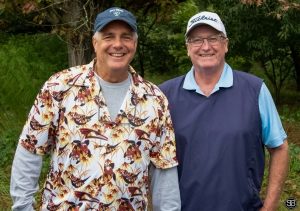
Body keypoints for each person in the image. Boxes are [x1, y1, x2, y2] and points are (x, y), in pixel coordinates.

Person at [10, 7, 181, 211]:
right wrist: (22, 207)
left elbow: (164, 172)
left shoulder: (155, 100)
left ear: (134, 44)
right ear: (95, 42)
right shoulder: (60, 87)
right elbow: (29, 152)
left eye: (126, 37)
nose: (118, 44)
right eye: (109, 36)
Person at [159, 11, 289, 211]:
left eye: (214, 38)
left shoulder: (254, 90)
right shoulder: (165, 95)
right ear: (187, 48)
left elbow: (279, 148)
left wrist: (270, 206)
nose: (206, 46)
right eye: (197, 40)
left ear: (226, 44)